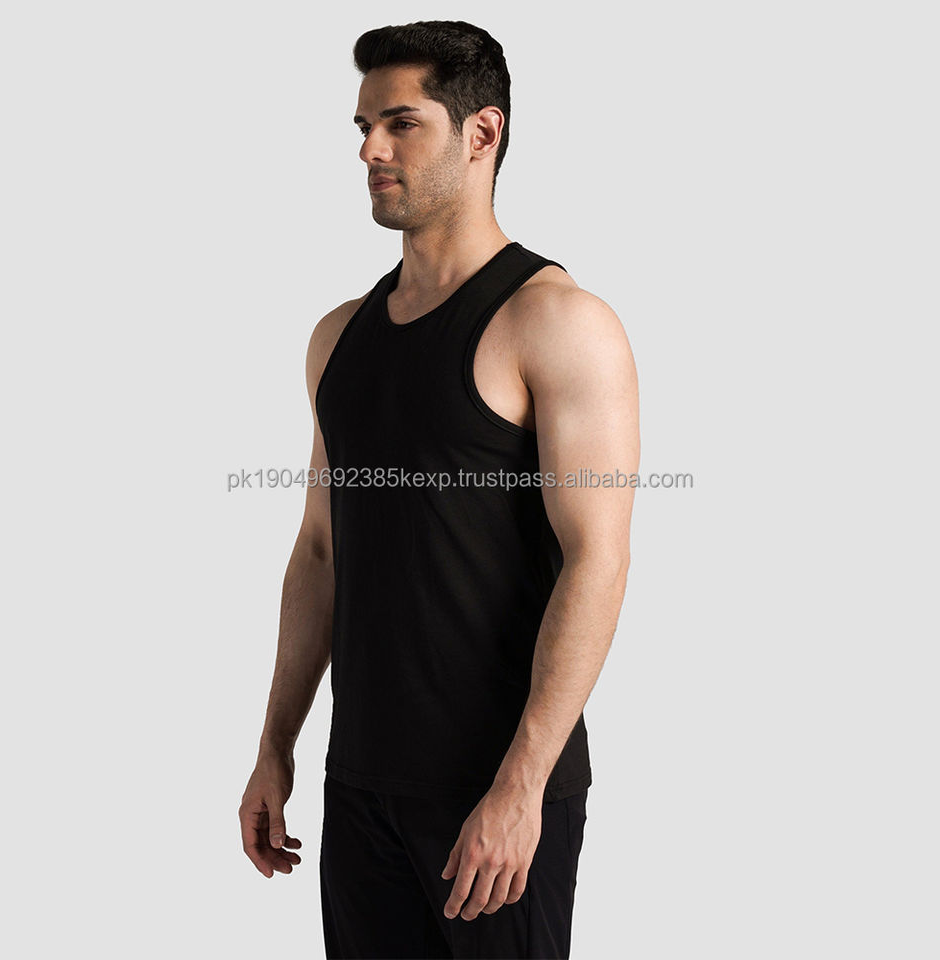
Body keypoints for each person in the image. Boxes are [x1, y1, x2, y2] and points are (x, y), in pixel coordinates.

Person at [239, 19, 640, 959]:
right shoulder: (339, 337)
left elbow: (597, 559)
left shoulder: (558, 322)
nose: (370, 151)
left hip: (495, 797)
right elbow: (321, 550)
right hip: (360, 787)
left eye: (401, 123)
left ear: (481, 132)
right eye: (363, 127)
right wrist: (275, 745)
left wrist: (522, 785)